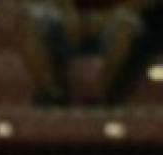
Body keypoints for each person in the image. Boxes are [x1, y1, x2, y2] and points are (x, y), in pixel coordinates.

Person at [18, 0, 162, 106]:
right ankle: (51, 94)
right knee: (29, 21)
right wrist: (69, 13)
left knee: (125, 29)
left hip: (118, 16)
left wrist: (106, 17)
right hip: (69, 17)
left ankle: (104, 98)